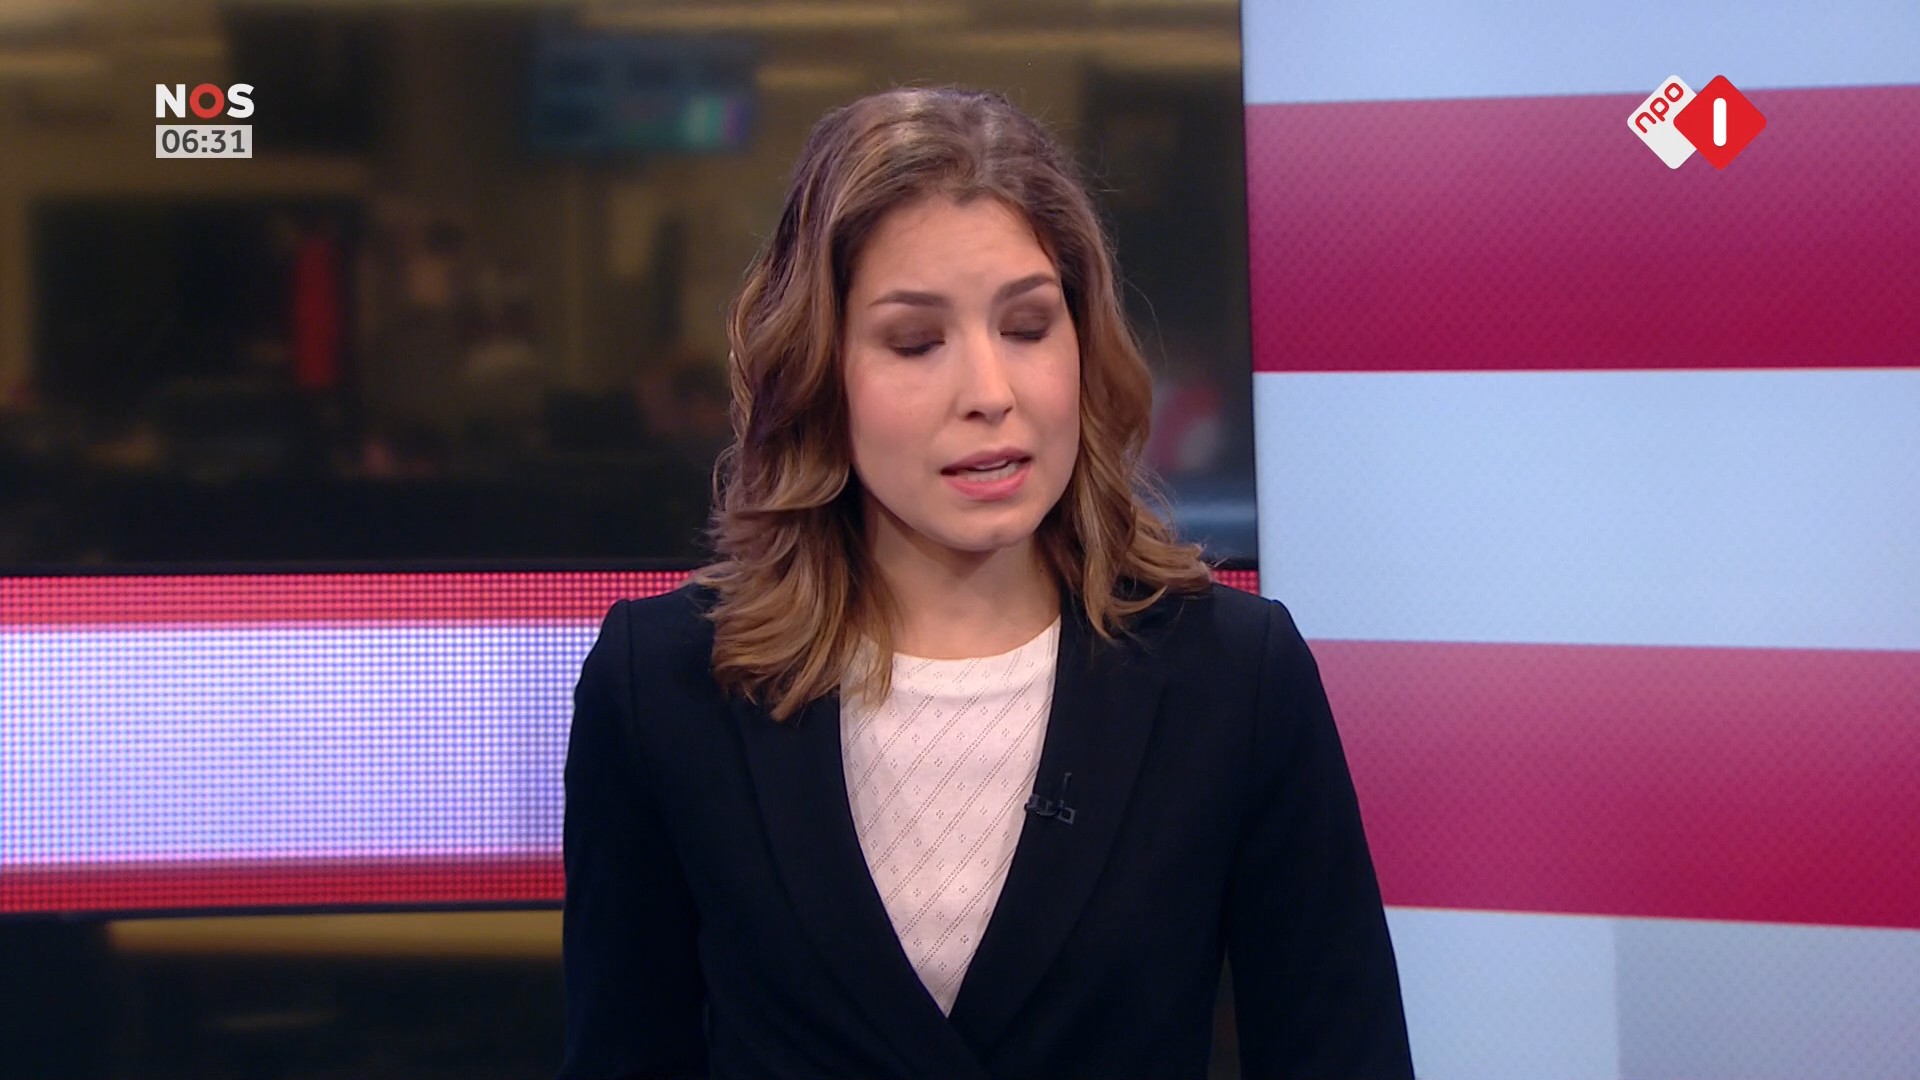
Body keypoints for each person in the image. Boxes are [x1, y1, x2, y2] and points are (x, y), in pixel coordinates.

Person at [560, 86, 1412, 1080]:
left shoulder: (1235, 678)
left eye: (1028, 326)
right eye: (916, 342)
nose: (991, 394)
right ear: (820, 369)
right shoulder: (664, 687)